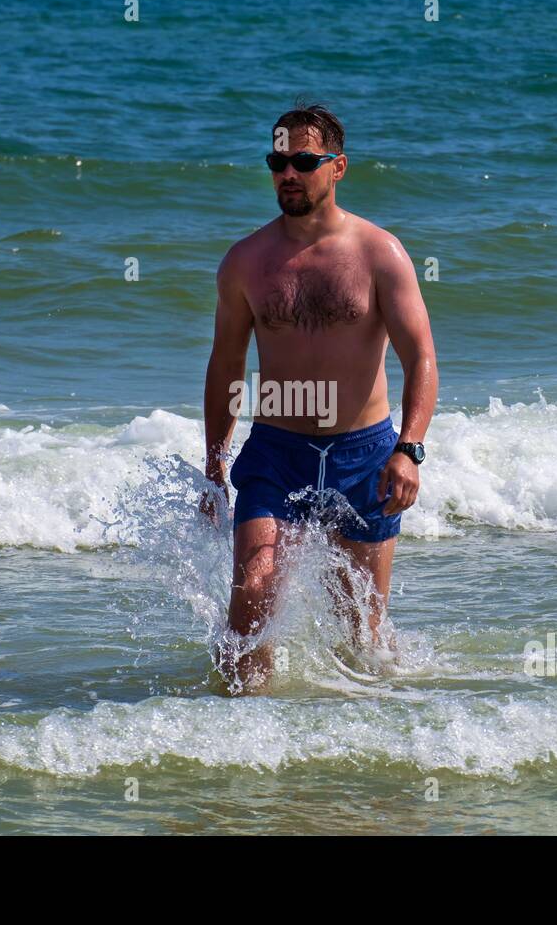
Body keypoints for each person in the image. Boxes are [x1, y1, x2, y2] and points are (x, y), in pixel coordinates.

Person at [202, 102, 438, 690]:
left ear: (338, 167)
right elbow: (226, 365)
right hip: (276, 452)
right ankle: (236, 751)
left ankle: (357, 757)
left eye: (303, 160)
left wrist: (409, 449)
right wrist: (214, 463)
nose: (287, 172)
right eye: (277, 160)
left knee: (362, 633)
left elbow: (422, 360)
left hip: (364, 455)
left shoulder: (379, 253)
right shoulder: (245, 262)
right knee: (250, 606)